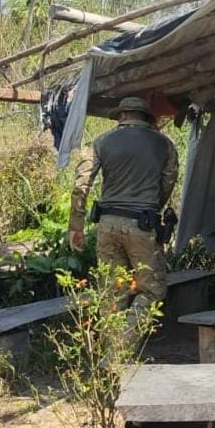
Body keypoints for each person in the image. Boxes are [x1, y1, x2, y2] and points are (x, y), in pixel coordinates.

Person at [68, 96, 178, 311]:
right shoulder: (165, 145)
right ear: (146, 118)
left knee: (112, 290)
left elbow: (81, 184)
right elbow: (168, 182)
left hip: (107, 223)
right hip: (143, 225)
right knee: (151, 291)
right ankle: (126, 340)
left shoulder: (100, 142)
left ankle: (112, 343)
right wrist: (152, 208)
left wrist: (76, 226)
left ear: (123, 115)